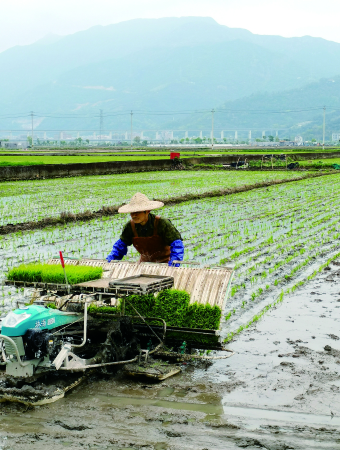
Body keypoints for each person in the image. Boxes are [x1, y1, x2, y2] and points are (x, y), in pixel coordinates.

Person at [106, 192, 184, 266]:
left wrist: (173, 264)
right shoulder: (130, 227)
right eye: (132, 212)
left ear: (147, 211)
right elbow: (120, 246)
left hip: (165, 264)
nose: (134, 215)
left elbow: (177, 245)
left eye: (138, 212)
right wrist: (110, 260)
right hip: (145, 264)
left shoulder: (161, 223)